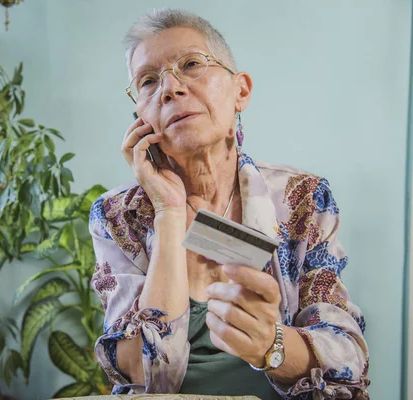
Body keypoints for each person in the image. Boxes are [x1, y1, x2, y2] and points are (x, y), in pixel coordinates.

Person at [88, 8, 370, 400]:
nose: (170, 88)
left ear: (241, 91)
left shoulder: (302, 199)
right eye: (148, 81)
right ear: (139, 117)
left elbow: (349, 357)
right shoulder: (119, 215)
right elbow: (137, 374)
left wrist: (272, 345)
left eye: (191, 64)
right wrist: (169, 213)